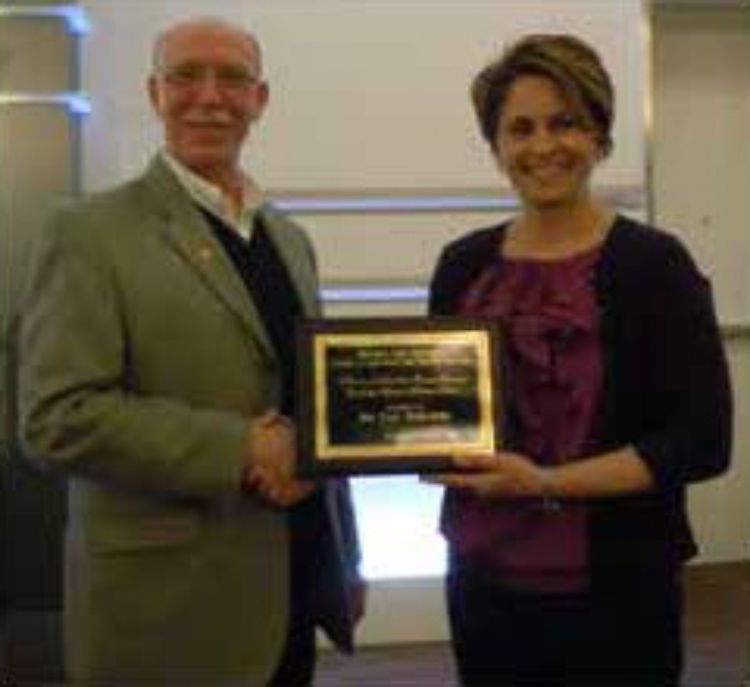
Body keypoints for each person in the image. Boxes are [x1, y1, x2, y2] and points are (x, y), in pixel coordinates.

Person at [16, 17, 364, 686]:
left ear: (260, 99)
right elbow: (56, 416)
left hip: (291, 591)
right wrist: (240, 447)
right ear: (155, 93)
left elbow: (310, 401)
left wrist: (344, 556)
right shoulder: (87, 232)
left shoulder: (290, 238)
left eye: (233, 78)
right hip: (166, 614)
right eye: (185, 76)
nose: (210, 96)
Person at [424, 34, 732, 687]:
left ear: (599, 134)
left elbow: (701, 442)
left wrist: (541, 483)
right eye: (520, 128)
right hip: (486, 586)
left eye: (565, 123)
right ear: (496, 147)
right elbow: (438, 412)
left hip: (618, 591)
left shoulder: (656, 265)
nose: (543, 146)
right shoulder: (461, 265)